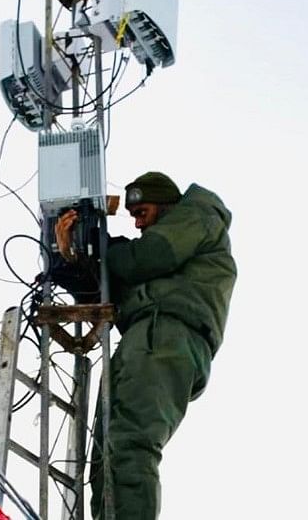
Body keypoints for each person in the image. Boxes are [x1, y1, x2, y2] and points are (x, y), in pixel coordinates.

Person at [54, 171, 237, 520]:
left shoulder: (196, 216)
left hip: (167, 336)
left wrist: (102, 244)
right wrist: (73, 258)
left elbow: (145, 258)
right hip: (144, 338)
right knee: (106, 455)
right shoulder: (156, 268)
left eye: (143, 213)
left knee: (130, 443)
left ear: (166, 205)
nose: (138, 225)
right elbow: (109, 292)